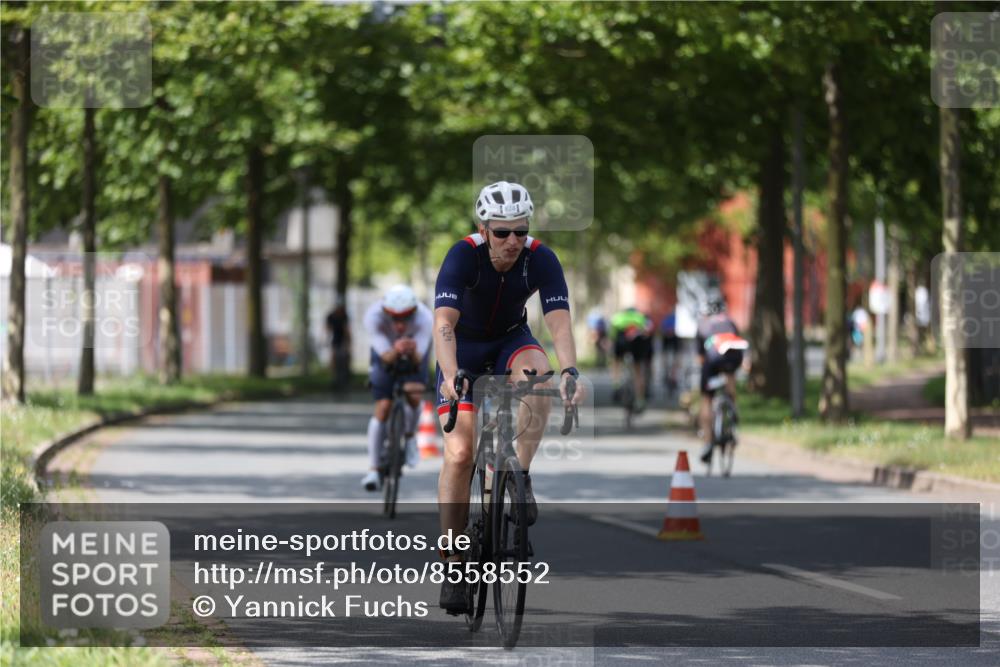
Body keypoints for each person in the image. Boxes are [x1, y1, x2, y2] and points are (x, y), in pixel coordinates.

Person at [433, 180, 584, 614]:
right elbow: (443, 323)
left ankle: (520, 475)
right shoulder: (463, 255)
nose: (513, 241)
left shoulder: (541, 258)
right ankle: (453, 562)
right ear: (484, 230)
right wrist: (450, 375)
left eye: (521, 230)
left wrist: (570, 370)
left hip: (509, 340)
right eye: (502, 232)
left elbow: (558, 321)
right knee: (460, 453)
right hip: (462, 348)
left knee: (540, 374)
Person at [360, 285, 433, 491]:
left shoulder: (425, 318)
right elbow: (385, 357)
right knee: (383, 405)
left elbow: (418, 359)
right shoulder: (373, 316)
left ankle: (410, 438)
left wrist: (410, 350)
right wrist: (396, 349)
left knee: (414, 393)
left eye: (406, 318)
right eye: (394, 318)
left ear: (414, 312)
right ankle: (373, 469)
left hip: (414, 351)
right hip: (385, 352)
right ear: (385, 312)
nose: (400, 324)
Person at [696, 295, 746, 464]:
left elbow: (700, 358)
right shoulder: (730, 322)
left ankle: (708, 442)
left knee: (706, 399)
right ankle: (733, 411)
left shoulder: (703, 324)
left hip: (713, 358)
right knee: (730, 376)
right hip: (734, 356)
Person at [609, 307, 654, 412]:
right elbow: (648, 332)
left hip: (621, 341)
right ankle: (640, 399)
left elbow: (612, 335)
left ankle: (616, 385)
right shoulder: (640, 317)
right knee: (638, 371)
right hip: (637, 343)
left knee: (616, 361)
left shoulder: (618, 317)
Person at [325, 302, 351, 391]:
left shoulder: (344, 316)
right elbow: (327, 328)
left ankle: (343, 379)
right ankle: (334, 379)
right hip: (334, 341)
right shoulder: (331, 317)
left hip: (342, 341)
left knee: (343, 360)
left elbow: (346, 329)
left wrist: (348, 342)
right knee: (334, 360)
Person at [660, 309, 681, 396]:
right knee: (673, 359)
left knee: (671, 360)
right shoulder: (675, 318)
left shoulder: (670, 318)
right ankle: (671, 376)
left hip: (670, 340)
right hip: (671, 340)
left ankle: (670, 376)